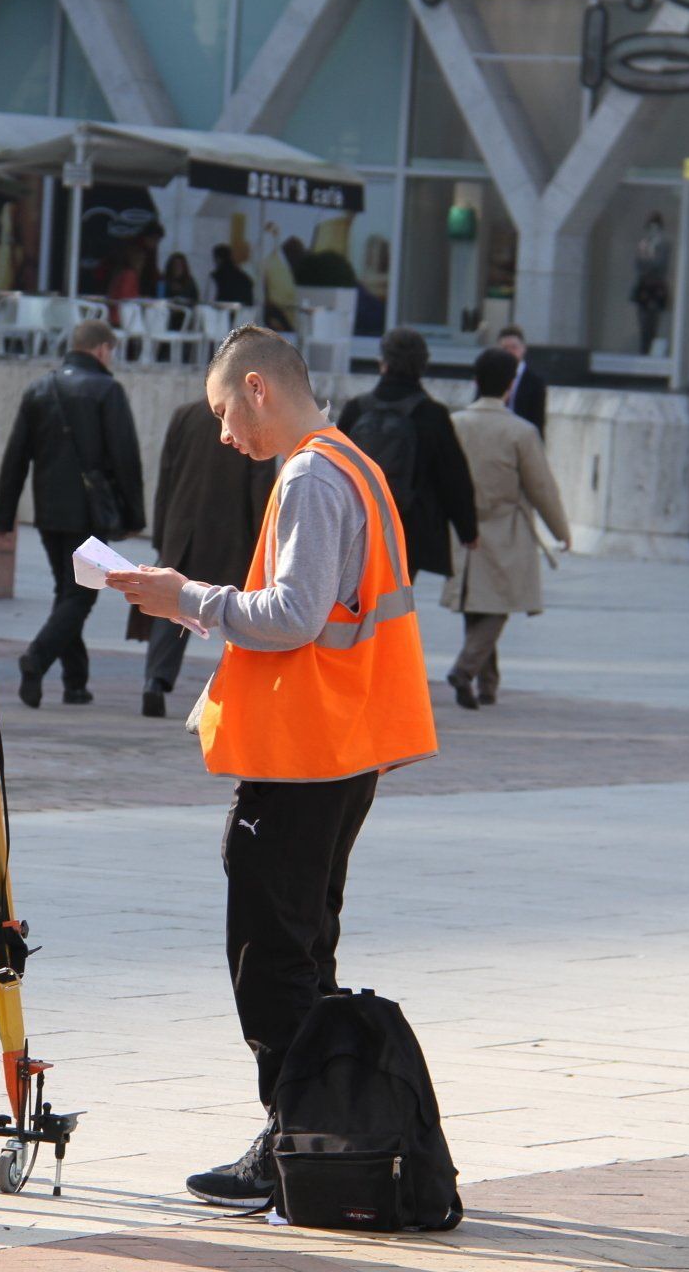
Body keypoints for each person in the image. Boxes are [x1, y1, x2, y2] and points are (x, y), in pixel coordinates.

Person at [105, 326, 436, 1208]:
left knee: (272, 957)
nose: (224, 435)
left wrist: (185, 598)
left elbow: (293, 615)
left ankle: (292, 1139)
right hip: (339, 747)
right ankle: (314, 1136)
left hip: (304, 752)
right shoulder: (351, 464)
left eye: (225, 412)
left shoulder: (311, 476)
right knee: (304, 943)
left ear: (259, 388)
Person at [0, 319, 146, 707]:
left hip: (48, 514)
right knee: (81, 596)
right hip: (90, 515)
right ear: (102, 349)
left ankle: (76, 683)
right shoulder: (107, 390)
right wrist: (134, 516)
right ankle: (36, 659)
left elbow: (15, 457)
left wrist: (2, 516)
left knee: (68, 592)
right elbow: (125, 458)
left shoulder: (40, 388)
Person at [442, 347, 572, 709]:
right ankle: (465, 670)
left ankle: (488, 685)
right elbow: (541, 487)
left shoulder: (456, 424)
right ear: (511, 385)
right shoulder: (521, 431)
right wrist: (561, 531)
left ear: (475, 380)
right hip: (507, 526)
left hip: (463, 526)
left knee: (477, 603)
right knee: (499, 604)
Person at [131, 398, 275, 719]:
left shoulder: (184, 414)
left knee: (175, 602)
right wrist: (265, 540)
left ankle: (155, 681)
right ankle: (245, 689)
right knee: (245, 612)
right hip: (233, 533)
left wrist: (162, 535)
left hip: (183, 529)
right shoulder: (256, 418)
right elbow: (261, 486)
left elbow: (166, 478)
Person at [338, 327, 478, 584]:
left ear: (383, 362)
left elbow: (333, 466)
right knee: (395, 596)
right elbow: (453, 477)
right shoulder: (432, 414)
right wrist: (467, 530)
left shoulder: (356, 409)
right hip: (410, 528)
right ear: (423, 364)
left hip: (361, 523)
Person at [495, 326, 547, 439]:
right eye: (504, 348)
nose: (509, 352)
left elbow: (538, 423)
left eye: (514, 347)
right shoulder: (489, 378)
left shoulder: (535, 382)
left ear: (523, 349)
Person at [631, 212, 672, 356]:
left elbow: (659, 266)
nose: (653, 231)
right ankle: (644, 349)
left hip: (656, 287)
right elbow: (638, 265)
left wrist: (647, 257)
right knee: (643, 321)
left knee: (653, 322)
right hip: (644, 287)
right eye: (650, 228)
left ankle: (650, 350)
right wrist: (644, 256)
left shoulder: (664, 245)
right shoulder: (644, 243)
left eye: (656, 228)